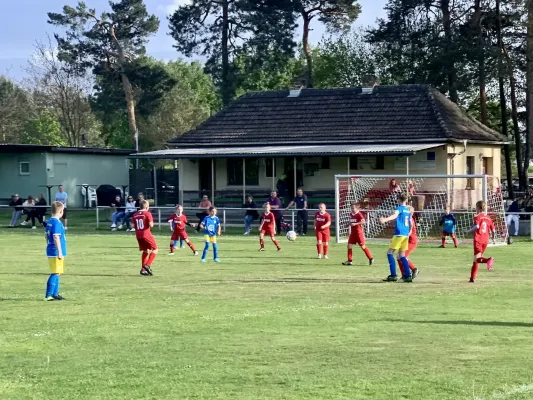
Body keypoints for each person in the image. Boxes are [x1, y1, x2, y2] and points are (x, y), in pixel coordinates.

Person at [379, 193, 412, 282]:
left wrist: (385, 219)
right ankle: (408, 276)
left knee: (389, 253)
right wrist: (410, 230)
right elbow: (410, 222)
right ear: (406, 200)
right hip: (405, 235)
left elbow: (394, 215)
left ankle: (393, 275)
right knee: (402, 255)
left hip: (399, 234)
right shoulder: (408, 210)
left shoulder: (399, 208)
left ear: (399, 200)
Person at [467, 200, 495, 283]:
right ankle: (472, 278)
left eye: (476, 207)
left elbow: (477, 226)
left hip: (478, 239)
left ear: (478, 208)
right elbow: (493, 230)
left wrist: (469, 231)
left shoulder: (477, 216)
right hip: (485, 240)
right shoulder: (488, 218)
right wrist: (493, 238)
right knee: (476, 259)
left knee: (477, 258)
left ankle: (488, 260)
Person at [44, 202, 67, 301]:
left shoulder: (50, 221)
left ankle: (55, 294)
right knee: (55, 272)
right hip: (56, 252)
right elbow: (56, 237)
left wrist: (48, 244)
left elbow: (46, 235)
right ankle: (48, 295)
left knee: (58, 272)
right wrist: (60, 252)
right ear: (61, 211)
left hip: (52, 250)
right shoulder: (57, 223)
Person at [132, 200, 158, 276]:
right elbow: (151, 225)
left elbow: (132, 226)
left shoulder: (135, 214)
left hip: (138, 235)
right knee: (155, 249)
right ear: (146, 206)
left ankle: (143, 270)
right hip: (146, 234)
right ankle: (147, 265)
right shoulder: (147, 213)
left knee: (146, 250)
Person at [397, 207, 419, 280]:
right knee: (399, 257)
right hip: (407, 241)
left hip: (411, 242)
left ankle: (413, 270)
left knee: (402, 257)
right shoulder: (407, 219)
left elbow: (409, 232)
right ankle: (404, 274)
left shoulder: (410, 220)